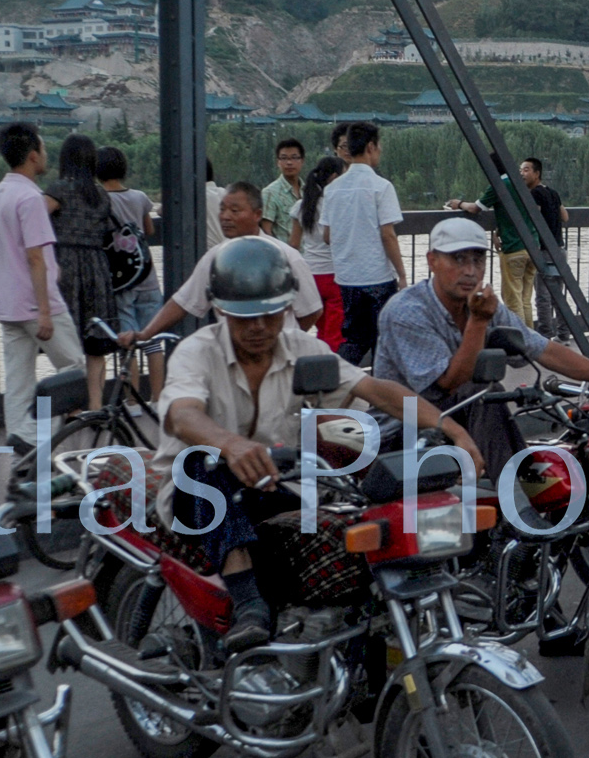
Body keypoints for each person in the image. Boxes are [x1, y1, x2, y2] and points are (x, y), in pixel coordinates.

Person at [155, 237, 481, 653]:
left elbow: (376, 390)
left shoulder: (304, 350)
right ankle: (247, 601)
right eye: (244, 317)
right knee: (206, 462)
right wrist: (229, 444)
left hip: (275, 484)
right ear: (220, 310)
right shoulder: (195, 352)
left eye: (271, 315)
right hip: (197, 493)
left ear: (288, 308)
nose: (258, 327)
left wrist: (451, 428)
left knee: (353, 527)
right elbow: (182, 414)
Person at [372, 218, 589, 478]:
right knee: (480, 391)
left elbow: (541, 348)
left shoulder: (484, 304)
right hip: (405, 432)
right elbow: (449, 384)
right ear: (432, 260)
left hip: (457, 421)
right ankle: (512, 498)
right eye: (458, 259)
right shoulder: (407, 311)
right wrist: (478, 322)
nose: (470, 271)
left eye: (478, 260)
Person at [124, 182, 323, 349]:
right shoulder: (216, 258)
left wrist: (281, 337)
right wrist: (145, 334)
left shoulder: (286, 256)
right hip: (235, 357)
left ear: (257, 214)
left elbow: (312, 310)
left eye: (235, 211)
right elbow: (183, 301)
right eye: (223, 209)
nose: (225, 216)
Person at [0, 122, 84, 446]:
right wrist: (45, 310)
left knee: (18, 382)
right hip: (35, 303)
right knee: (73, 366)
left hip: (7, 304)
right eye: (42, 149)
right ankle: (41, 437)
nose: (46, 155)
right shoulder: (30, 198)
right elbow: (36, 258)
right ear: (32, 156)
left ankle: (22, 445)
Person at [41, 133, 120, 411]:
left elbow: (34, 217)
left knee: (69, 341)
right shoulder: (100, 194)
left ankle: (73, 408)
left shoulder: (59, 190)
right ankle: (96, 406)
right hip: (97, 269)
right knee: (95, 343)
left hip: (67, 268)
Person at [319, 121, 407, 366]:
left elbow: (327, 236)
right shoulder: (381, 186)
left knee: (354, 340)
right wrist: (401, 275)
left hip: (347, 278)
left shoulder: (333, 189)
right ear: (370, 147)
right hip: (378, 277)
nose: (379, 151)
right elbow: (387, 235)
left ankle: (333, 389)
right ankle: (386, 399)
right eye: (379, 147)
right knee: (384, 343)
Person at [98, 146, 164, 405]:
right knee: (153, 341)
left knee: (127, 342)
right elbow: (148, 229)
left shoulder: (100, 200)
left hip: (121, 281)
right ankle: (158, 398)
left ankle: (133, 400)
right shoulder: (139, 197)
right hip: (147, 276)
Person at [446, 169, 542, 324]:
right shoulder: (523, 184)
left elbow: (475, 208)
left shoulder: (499, 185)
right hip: (532, 247)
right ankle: (531, 338)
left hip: (513, 247)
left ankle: (521, 342)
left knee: (513, 301)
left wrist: (459, 204)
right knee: (525, 300)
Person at [287, 154, 345, 350]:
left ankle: (317, 364)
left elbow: (293, 244)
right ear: (334, 177)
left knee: (321, 329)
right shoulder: (336, 205)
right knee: (334, 334)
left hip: (310, 276)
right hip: (335, 275)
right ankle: (332, 373)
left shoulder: (302, 206)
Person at [525, 158, 571, 333]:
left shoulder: (534, 194)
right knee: (558, 295)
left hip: (543, 250)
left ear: (537, 174)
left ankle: (545, 333)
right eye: (521, 170)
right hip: (559, 248)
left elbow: (533, 219)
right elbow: (565, 217)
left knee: (543, 295)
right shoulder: (553, 193)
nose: (522, 173)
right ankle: (564, 333)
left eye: (526, 170)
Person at [262, 138, 307, 241]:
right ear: (278, 162)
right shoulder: (269, 193)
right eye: (284, 158)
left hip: (308, 254)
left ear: (302, 161)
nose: (289, 162)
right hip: (284, 254)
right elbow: (266, 232)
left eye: (294, 158)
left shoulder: (309, 191)